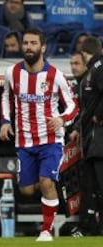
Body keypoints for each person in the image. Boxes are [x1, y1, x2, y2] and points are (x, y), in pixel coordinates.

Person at [0, 28, 78, 242]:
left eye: (33, 43)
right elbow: (6, 97)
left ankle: (46, 230)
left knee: (45, 182)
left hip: (50, 140)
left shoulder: (55, 76)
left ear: (42, 47)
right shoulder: (12, 73)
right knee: (26, 189)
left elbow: (73, 105)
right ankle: (52, 192)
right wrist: (5, 121)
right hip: (24, 141)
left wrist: (62, 119)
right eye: (25, 43)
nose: (28, 47)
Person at [69, 36, 103, 236]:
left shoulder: (98, 68)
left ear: (84, 54)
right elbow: (88, 108)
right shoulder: (90, 74)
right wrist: (77, 127)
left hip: (99, 141)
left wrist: (99, 115)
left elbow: (94, 107)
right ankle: (89, 227)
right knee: (90, 186)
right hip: (92, 141)